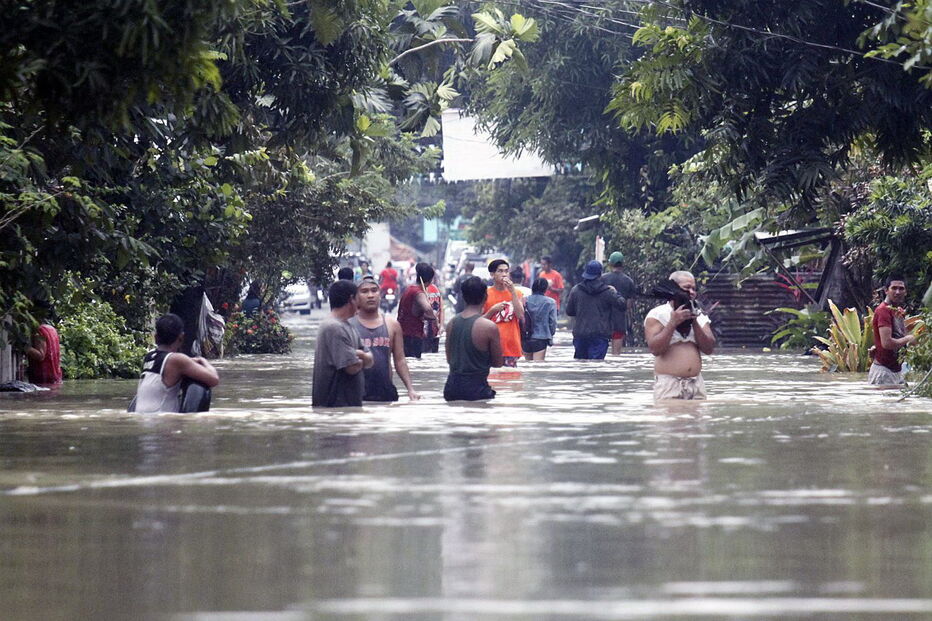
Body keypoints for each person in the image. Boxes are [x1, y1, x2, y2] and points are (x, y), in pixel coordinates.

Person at [644, 270, 716, 400]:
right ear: (674, 290)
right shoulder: (657, 315)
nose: (692, 292)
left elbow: (709, 348)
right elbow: (655, 349)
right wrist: (673, 322)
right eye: (687, 288)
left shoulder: (700, 315)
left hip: (696, 384)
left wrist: (694, 321)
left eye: (694, 288)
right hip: (669, 385)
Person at [349, 277, 420, 401]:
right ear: (356, 298)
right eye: (364, 291)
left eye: (374, 290)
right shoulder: (348, 326)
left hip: (385, 391)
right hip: (356, 392)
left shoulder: (392, 325)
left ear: (380, 295)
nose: (370, 295)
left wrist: (410, 389)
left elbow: (400, 360)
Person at [134, 313, 220, 413]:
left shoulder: (149, 356)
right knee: (201, 385)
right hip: (161, 422)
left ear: (156, 337)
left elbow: (169, 364)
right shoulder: (177, 360)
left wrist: (189, 361)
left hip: (142, 418)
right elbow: (214, 379)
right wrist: (202, 360)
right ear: (181, 338)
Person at [312, 280, 374, 407]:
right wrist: (360, 356)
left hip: (348, 407)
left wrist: (358, 354)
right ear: (351, 299)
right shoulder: (334, 327)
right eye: (358, 297)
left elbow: (370, 360)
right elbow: (352, 367)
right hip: (335, 407)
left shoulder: (348, 326)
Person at [444, 276, 504, 401]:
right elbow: (498, 363)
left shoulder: (451, 324)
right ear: (485, 297)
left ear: (463, 297)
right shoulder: (489, 327)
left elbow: (449, 359)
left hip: (451, 389)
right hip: (477, 389)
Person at [565, 260, 627, 360]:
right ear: (600, 274)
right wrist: (616, 292)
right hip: (600, 335)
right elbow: (622, 305)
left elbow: (569, 311)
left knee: (581, 365)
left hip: (581, 335)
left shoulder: (576, 290)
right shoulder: (608, 292)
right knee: (596, 367)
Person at [869, 275, 917, 386]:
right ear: (886, 290)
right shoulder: (883, 311)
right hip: (883, 372)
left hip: (897, 371)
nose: (897, 292)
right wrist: (909, 339)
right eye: (894, 288)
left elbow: (900, 336)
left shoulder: (898, 311)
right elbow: (887, 343)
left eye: (901, 289)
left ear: (905, 292)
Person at [483, 259, 525, 367]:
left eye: (506, 271)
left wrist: (513, 292)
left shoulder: (517, 293)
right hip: (491, 347)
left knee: (510, 381)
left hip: (511, 348)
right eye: (500, 271)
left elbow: (520, 315)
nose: (504, 274)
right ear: (492, 274)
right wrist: (492, 310)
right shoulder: (485, 294)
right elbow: (479, 322)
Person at [396, 262, 438, 358]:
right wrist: (434, 319)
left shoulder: (409, 289)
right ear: (430, 280)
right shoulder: (419, 293)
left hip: (402, 335)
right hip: (412, 337)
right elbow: (428, 310)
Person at [602, 252, 637, 354]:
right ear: (623, 264)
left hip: (604, 320)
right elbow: (629, 304)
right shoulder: (629, 281)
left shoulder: (603, 279)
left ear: (610, 264)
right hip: (619, 319)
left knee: (600, 353)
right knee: (616, 355)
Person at [25, 304, 62, 385]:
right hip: (54, 377)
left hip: (42, 378)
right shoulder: (52, 329)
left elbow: (41, 356)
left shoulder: (40, 330)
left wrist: (25, 347)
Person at [523, 277, 558, 361]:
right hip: (541, 338)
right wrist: (550, 334)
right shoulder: (550, 302)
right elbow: (552, 322)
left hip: (526, 337)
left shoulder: (525, 300)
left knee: (527, 365)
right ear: (545, 289)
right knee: (538, 366)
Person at [423, 273, 444, 353]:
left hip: (423, 331)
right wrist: (441, 325)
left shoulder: (420, 290)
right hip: (435, 329)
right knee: (433, 352)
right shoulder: (436, 290)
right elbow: (442, 309)